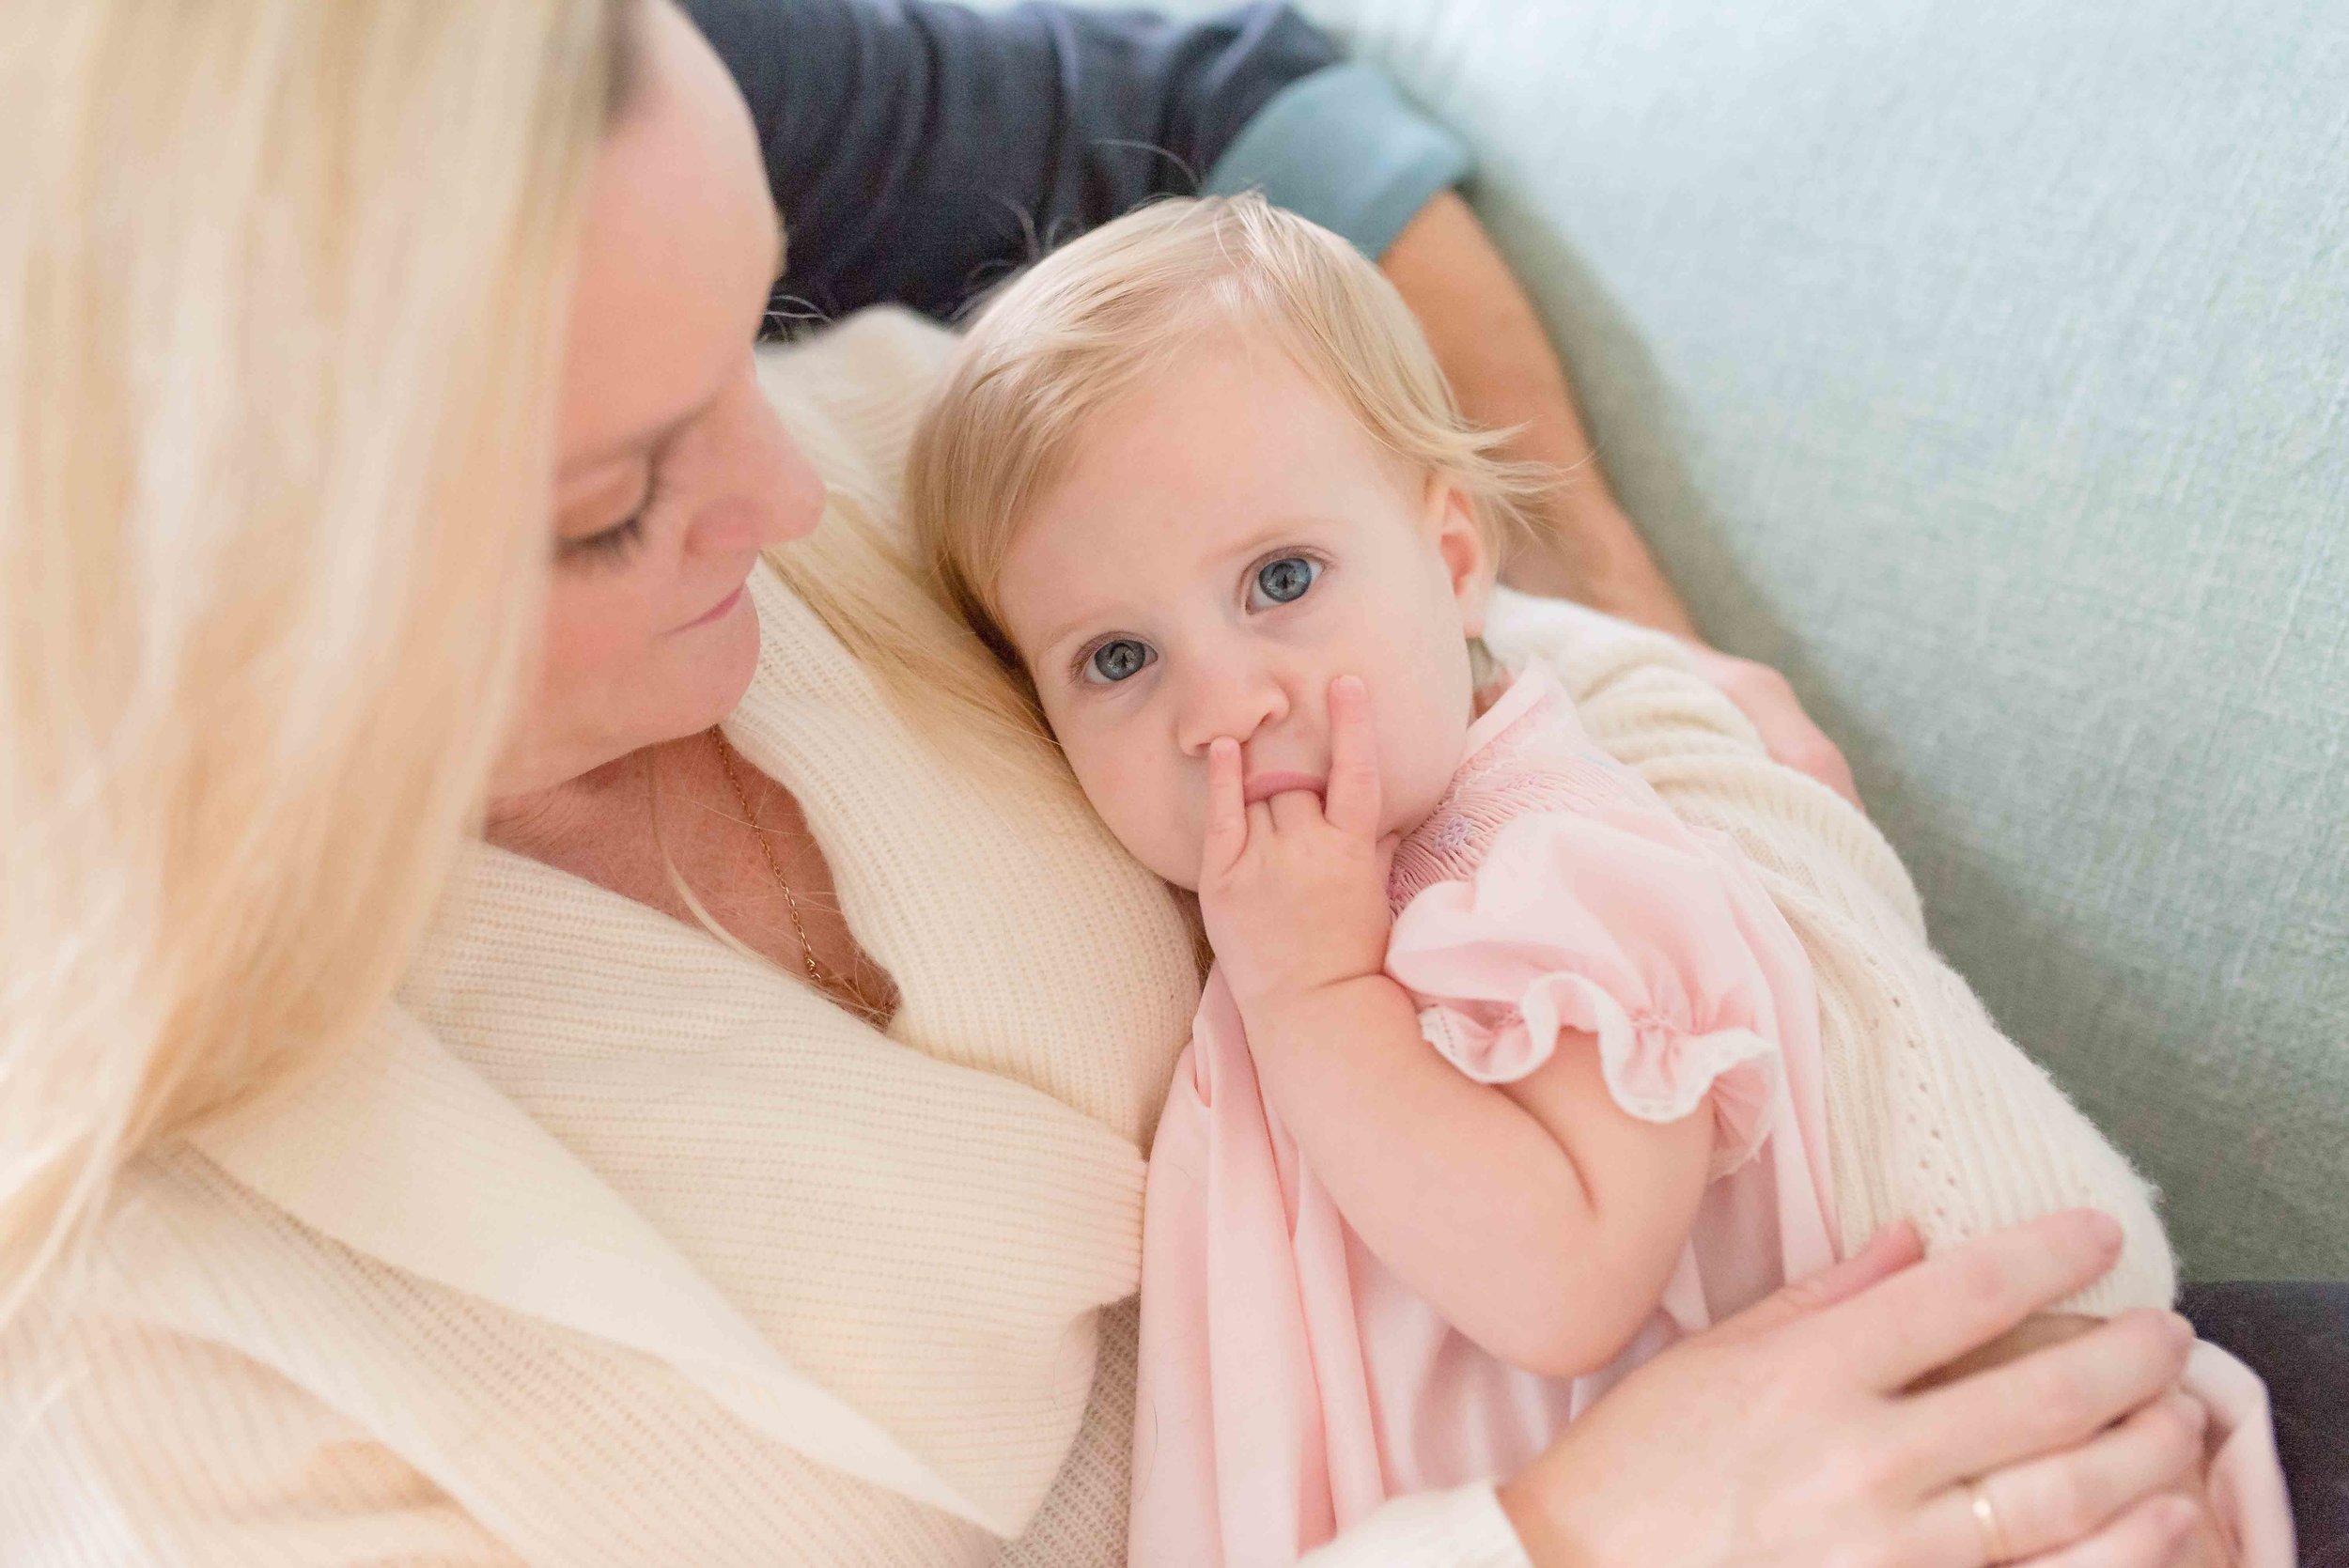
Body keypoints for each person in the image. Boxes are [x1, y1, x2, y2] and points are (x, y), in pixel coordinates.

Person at [0, 1, 2301, 1563]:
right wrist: (1570, 1536)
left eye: (756, 340)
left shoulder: (904, 465)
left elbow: (1574, 705)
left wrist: (2048, 1372)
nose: (794, 505)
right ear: (201, 623)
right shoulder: (166, 1362)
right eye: (615, 502)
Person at [905, 193, 2282, 1565]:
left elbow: (1568, 1274)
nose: (1223, 704)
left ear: (1452, 564)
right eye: (1118, 659)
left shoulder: (1545, 868)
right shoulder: (1312, 896)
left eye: (1279, 579)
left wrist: (1312, 988)